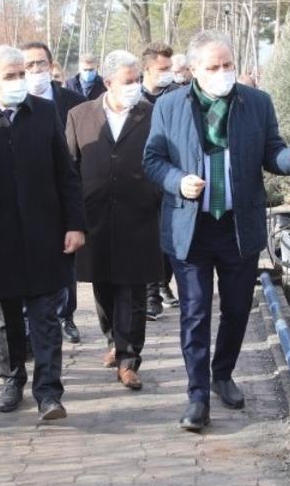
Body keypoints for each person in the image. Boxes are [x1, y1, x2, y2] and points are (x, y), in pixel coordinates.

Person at [143, 30, 290, 433]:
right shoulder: (170, 106)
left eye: (229, 65)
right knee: (195, 312)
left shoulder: (256, 103)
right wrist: (177, 181)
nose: (224, 72)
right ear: (193, 71)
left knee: (238, 307)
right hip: (190, 226)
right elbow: (153, 159)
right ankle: (197, 396)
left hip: (238, 226)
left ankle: (222, 373)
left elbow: (271, 153)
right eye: (214, 67)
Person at [0, 45, 86, 421]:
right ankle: (12, 379)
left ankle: (49, 393)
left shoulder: (42, 113)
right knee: (6, 317)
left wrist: (75, 223)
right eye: (10, 76)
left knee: (45, 317)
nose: (19, 81)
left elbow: (66, 173)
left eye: (21, 73)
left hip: (46, 233)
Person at [65, 50, 162, 390]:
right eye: (127, 81)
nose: (134, 86)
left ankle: (129, 358)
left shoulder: (152, 113)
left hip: (140, 214)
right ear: (108, 83)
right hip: (95, 216)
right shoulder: (80, 115)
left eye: (137, 80)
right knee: (104, 284)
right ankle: (112, 340)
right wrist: (71, 217)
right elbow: (69, 167)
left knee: (133, 289)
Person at [21, 40, 87, 345]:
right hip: (27, 196)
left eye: (41, 63)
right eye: (29, 65)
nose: (36, 70)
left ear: (51, 65)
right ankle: (27, 320)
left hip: (64, 190)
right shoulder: (12, 103)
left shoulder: (72, 101)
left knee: (66, 259)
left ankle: (66, 316)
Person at [141, 42, 182, 319]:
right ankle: (150, 295)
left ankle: (162, 283)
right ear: (147, 69)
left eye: (170, 68)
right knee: (146, 240)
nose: (168, 73)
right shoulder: (134, 99)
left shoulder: (179, 95)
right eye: (162, 68)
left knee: (167, 241)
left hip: (172, 178)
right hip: (141, 179)